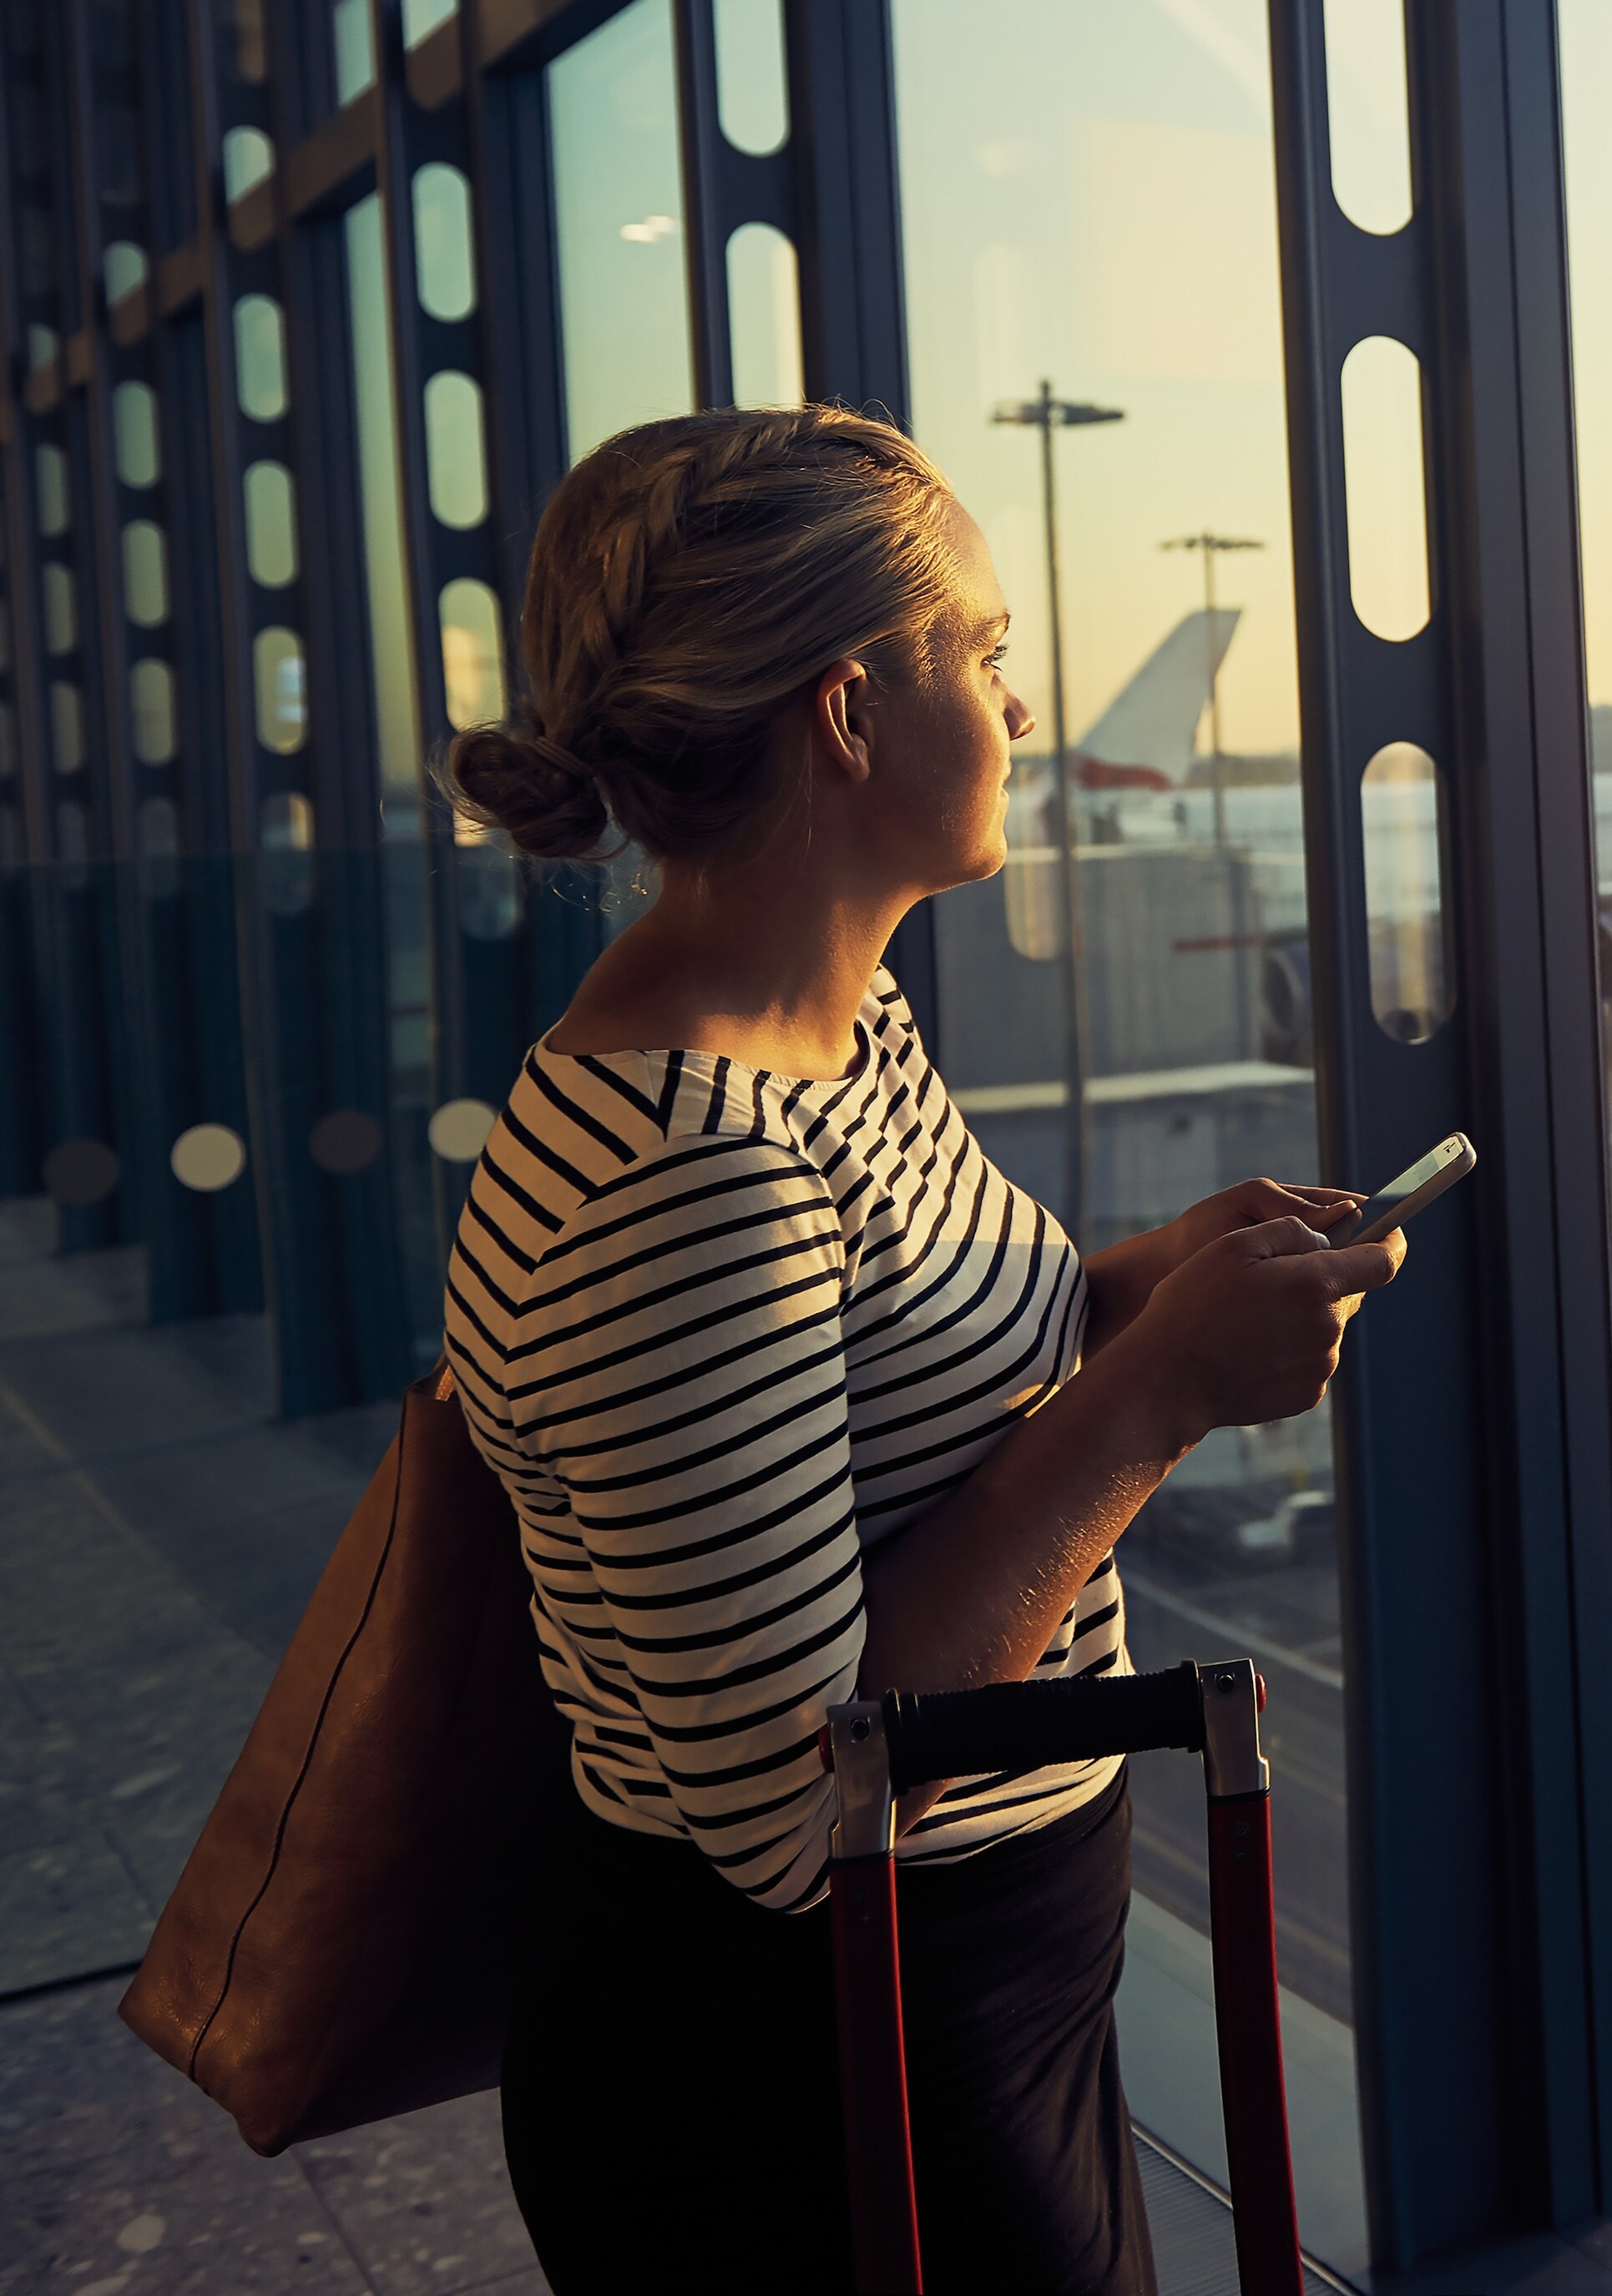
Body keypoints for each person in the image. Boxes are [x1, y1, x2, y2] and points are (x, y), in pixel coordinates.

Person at [435, 406, 1389, 2293]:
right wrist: (1164, 1387)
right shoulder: (688, 1159)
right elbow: (804, 1804)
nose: (1023, 713)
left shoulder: (828, 1034)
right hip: (812, 2081)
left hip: (964, 2006)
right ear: (848, 713)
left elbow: (875, 1380)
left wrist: (1143, 1286)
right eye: (986, 653)